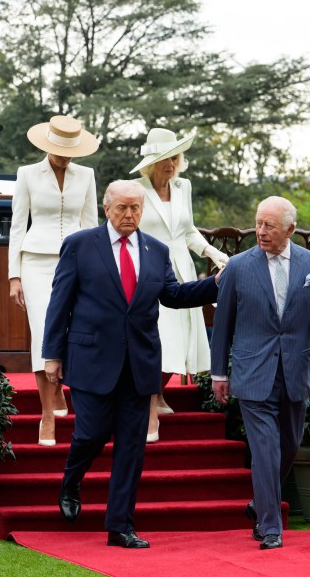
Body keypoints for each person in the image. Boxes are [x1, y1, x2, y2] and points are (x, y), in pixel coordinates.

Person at [44, 180, 218, 549]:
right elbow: (60, 303)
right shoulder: (80, 246)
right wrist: (52, 356)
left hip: (140, 363)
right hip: (91, 359)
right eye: (122, 207)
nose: (129, 214)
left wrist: (216, 284)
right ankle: (72, 480)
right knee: (90, 434)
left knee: (132, 446)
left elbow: (172, 295)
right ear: (106, 209)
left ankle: (120, 525)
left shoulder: (156, 250)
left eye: (136, 208)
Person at [210, 196, 310, 550]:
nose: (260, 231)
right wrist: (219, 374)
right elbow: (223, 326)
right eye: (258, 223)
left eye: (269, 226)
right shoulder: (237, 267)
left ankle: (260, 503)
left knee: (289, 445)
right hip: (253, 373)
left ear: (291, 229)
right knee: (265, 448)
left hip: (297, 370)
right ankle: (270, 527)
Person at [131, 127, 229, 441]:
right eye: (164, 159)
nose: (171, 164)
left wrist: (214, 253)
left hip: (182, 272)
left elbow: (187, 233)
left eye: (174, 157)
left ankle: (158, 394)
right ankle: (149, 400)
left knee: (181, 338)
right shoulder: (134, 188)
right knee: (159, 337)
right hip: (146, 271)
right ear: (151, 162)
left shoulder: (183, 187)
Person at [8, 115, 99, 446]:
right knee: (44, 331)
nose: (65, 156)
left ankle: (62, 388)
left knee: (75, 327)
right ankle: (47, 414)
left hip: (77, 262)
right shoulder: (27, 175)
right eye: (59, 150)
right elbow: (18, 226)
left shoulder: (87, 176)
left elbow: (92, 225)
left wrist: (98, 267)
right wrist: (13, 276)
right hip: (35, 261)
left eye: (69, 151)